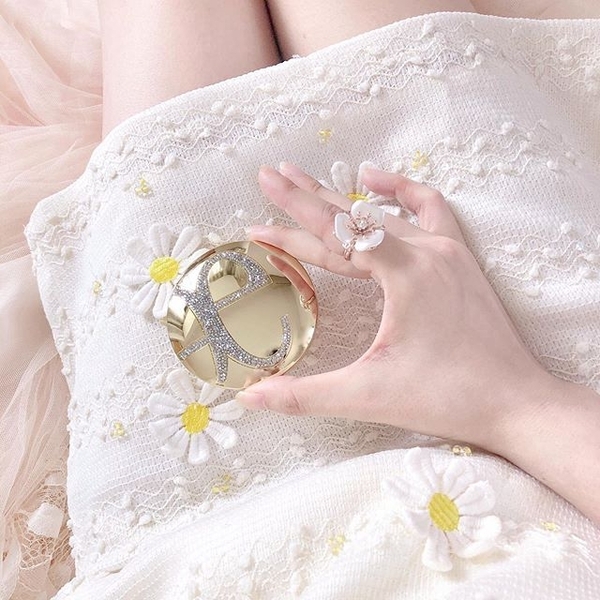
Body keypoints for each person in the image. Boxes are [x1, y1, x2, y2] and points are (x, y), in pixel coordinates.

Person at [10, 1, 600, 598]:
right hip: (547, 400)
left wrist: (505, 402)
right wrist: (516, 398)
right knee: (420, 73)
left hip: (194, 513)